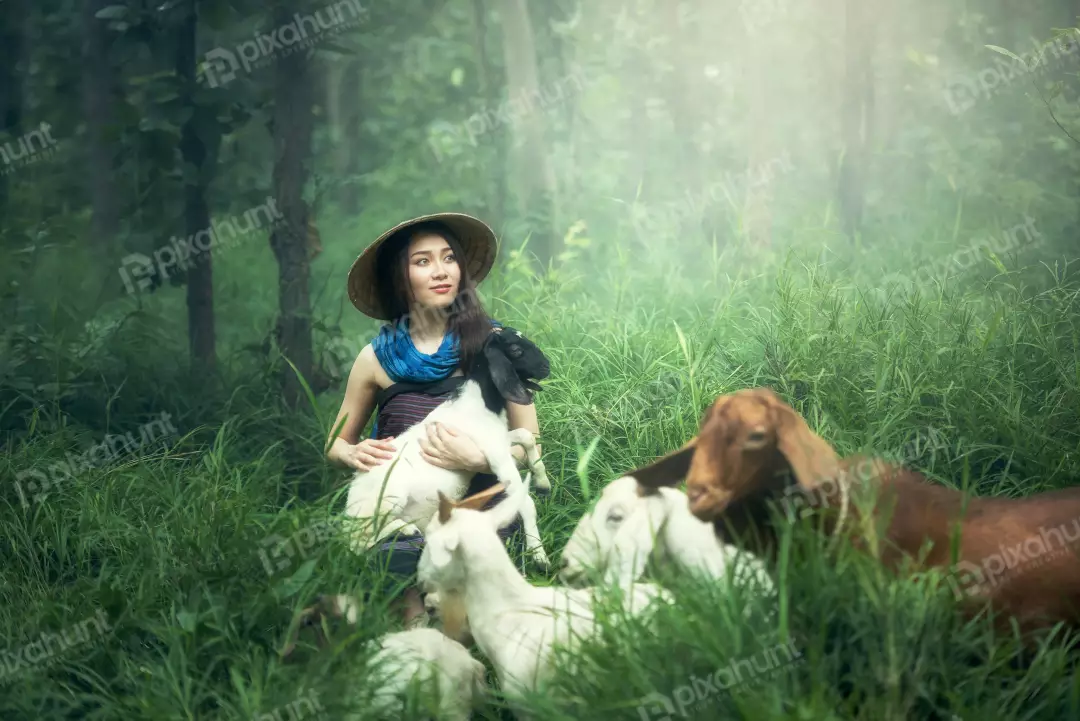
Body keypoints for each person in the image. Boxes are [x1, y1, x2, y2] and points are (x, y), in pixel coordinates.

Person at [326, 212, 543, 628]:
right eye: (422, 262)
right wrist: (352, 452)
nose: (440, 271)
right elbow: (334, 444)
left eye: (448, 258)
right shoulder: (375, 359)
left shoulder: (496, 347)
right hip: (404, 505)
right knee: (400, 561)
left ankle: (471, 651)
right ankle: (421, 655)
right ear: (400, 277)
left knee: (463, 594)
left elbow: (530, 440)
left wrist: (480, 460)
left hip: (481, 502)